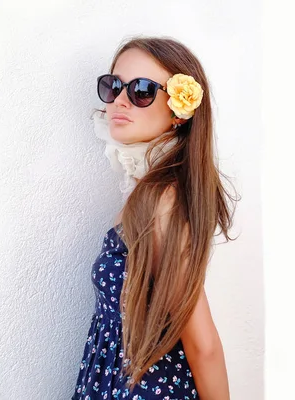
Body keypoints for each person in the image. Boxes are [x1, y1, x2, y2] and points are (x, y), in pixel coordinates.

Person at [72, 35, 239, 400]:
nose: (120, 100)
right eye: (113, 86)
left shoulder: (162, 199)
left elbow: (203, 343)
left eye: (142, 90)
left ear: (179, 110)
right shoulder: (144, 190)